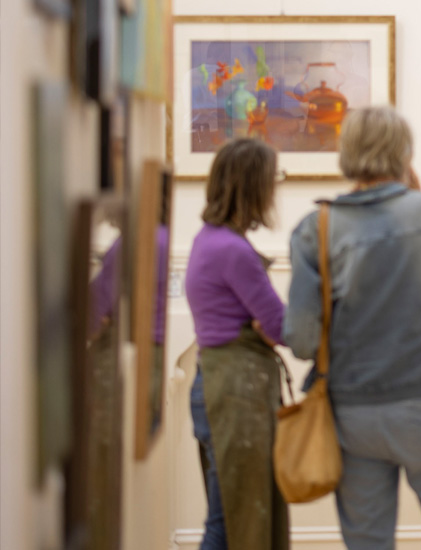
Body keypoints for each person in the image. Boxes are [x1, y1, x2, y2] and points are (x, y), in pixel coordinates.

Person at [283, 106, 421, 550]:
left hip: (353, 410)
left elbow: (300, 341)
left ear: (345, 152)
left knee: (367, 541)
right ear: (404, 153)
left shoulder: (315, 227)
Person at [185, 138, 289, 550]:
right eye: (272, 178)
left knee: (224, 516)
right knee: (235, 521)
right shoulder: (233, 251)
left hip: (214, 386)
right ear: (252, 186)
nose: (275, 188)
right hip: (234, 394)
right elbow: (280, 326)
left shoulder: (207, 239)